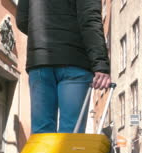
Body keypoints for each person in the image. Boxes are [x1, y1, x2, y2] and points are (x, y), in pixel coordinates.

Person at [16, 0, 111, 133]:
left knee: (42, 133)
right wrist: (100, 64)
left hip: (40, 60)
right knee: (71, 132)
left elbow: (22, 19)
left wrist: (41, 35)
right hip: (75, 60)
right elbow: (90, 17)